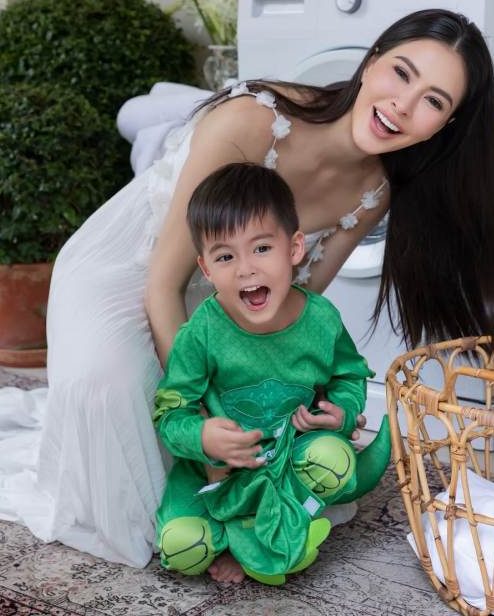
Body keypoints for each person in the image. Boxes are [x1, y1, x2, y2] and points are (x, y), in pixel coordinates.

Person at [0, 9, 494, 569]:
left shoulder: (376, 188)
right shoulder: (252, 120)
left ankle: (241, 512)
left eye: (433, 100)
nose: (403, 105)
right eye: (401, 73)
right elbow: (164, 284)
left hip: (229, 300)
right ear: (369, 63)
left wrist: (317, 404)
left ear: (446, 125)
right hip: (132, 270)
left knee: (260, 426)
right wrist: (203, 420)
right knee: (116, 394)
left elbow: (297, 309)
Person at [155, 161, 389, 584]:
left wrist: (340, 412)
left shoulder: (321, 320)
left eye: (261, 248)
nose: (245, 268)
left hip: (289, 459)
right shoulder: (202, 332)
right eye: (225, 256)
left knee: (331, 461)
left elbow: (349, 376)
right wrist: (203, 438)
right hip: (220, 471)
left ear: (294, 248)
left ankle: (268, 536)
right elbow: (170, 411)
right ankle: (236, 534)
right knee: (181, 548)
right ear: (206, 269)